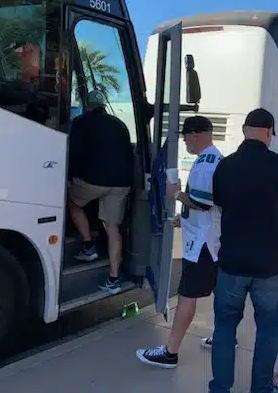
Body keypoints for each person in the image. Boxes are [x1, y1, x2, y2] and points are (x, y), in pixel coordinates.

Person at [208, 108, 278, 393]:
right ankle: (262, 388)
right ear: (268, 132)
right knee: (267, 331)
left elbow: (220, 204)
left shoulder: (225, 165)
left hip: (231, 263)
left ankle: (220, 388)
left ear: (244, 130)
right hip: (270, 264)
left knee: (224, 329)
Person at [136, 116, 223, 368]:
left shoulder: (207, 162)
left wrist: (176, 194)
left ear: (196, 135)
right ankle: (223, 335)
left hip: (201, 245)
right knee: (220, 291)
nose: (184, 141)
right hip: (210, 240)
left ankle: (170, 352)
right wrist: (183, 217)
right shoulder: (214, 159)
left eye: (185, 136)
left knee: (187, 295)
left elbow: (203, 202)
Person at [68, 89, 133, 293]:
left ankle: (88, 246)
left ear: (87, 105)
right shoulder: (120, 124)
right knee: (113, 228)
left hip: (93, 181)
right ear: (104, 105)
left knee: (73, 202)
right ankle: (114, 279)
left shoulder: (80, 122)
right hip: (121, 183)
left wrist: (71, 179)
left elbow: (74, 153)